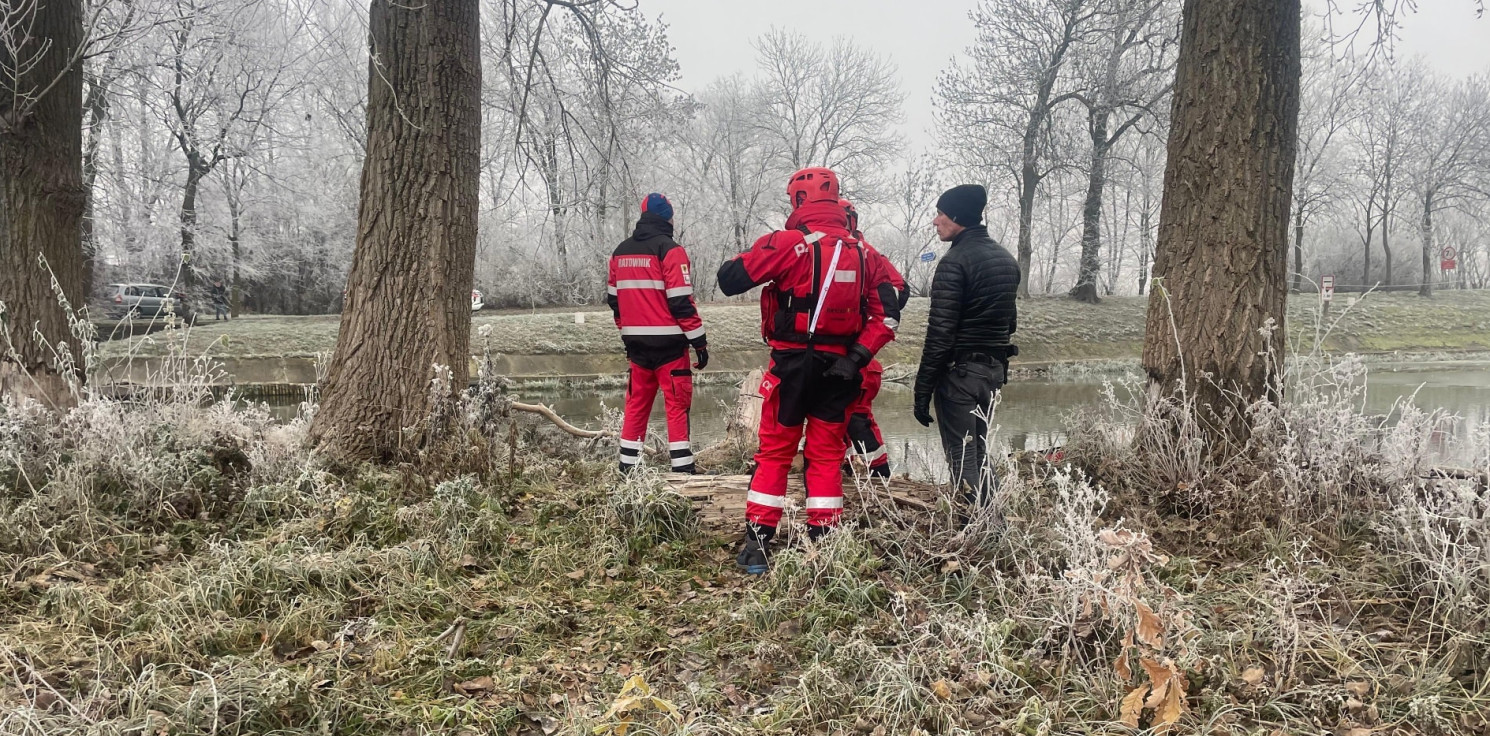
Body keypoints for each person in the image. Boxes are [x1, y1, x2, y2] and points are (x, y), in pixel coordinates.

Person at [717, 168, 895, 574]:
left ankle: (758, 547)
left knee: (776, 454)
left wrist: (758, 251)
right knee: (827, 457)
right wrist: (856, 359)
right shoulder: (867, 253)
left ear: (798, 201)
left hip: (792, 365)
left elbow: (729, 280)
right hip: (843, 368)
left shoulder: (789, 243)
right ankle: (825, 546)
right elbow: (888, 317)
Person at [912, 184, 1020, 511]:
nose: (935, 221)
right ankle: (997, 526)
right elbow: (1010, 323)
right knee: (981, 453)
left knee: (962, 457)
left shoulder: (954, 262)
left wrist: (921, 391)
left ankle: (979, 533)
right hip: (993, 373)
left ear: (957, 217)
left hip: (960, 376)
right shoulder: (1006, 259)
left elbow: (940, 335)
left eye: (941, 213)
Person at [607, 193, 707, 474]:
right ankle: (683, 472)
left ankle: (628, 471)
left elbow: (614, 300)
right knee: (676, 406)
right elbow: (681, 302)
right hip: (670, 347)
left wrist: (626, 330)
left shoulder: (620, 252)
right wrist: (699, 342)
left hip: (636, 345)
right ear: (668, 217)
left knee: (637, 405)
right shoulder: (671, 250)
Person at [840, 199, 908, 480]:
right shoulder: (825, 248)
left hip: (858, 355)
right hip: (840, 353)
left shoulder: (865, 253)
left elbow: (898, 290)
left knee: (857, 418)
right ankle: (845, 473)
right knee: (834, 419)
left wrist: (867, 317)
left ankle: (881, 479)